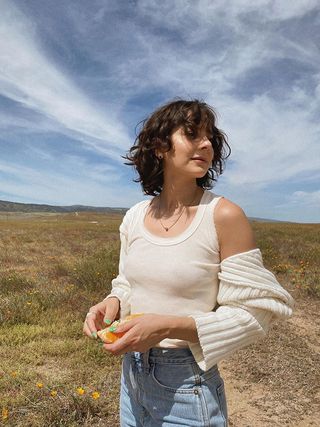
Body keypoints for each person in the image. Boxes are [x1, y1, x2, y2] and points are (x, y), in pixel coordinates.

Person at [83, 99, 294, 427]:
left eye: (210, 137)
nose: (207, 144)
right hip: (132, 376)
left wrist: (168, 326)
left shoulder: (223, 215)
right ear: (159, 147)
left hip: (186, 384)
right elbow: (127, 281)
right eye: (193, 134)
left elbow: (256, 312)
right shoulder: (134, 217)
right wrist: (111, 302)